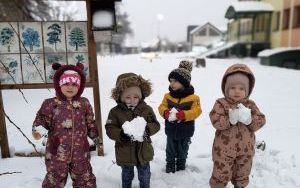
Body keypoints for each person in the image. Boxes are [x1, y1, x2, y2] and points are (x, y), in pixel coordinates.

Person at [32, 63, 99, 188]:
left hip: (81, 152)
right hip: (57, 151)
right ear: (59, 84)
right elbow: (41, 119)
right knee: (54, 179)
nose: (70, 87)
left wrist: (94, 134)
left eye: (74, 84)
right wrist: (38, 130)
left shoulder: (84, 103)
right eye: (66, 83)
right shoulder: (51, 104)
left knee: (84, 178)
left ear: (80, 86)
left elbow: (90, 121)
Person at [209, 64, 266, 188]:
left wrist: (250, 120)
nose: (237, 91)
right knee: (220, 174)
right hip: (223, 150)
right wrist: (229, 119)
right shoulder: (221, 103)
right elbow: (215, 120)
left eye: (241, 88)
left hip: (246, 150)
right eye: (233, 87)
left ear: (247, 90)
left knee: (242, 174)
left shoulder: (250, 105)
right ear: (226, 88)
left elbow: (261, 120)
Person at [105, 73, 160, 188]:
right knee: (127, 175)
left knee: (144, 175)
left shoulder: (146, 109)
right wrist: (121, 135)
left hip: (143, 151)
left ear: (140, 96)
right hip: (125, 152)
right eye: (128, 97)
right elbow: (110, 128)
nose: (132, 100)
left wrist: (147, 130)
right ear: (120, 97)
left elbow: (155, 124)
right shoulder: (115, 112)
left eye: (136, 97)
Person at [158, 60, 202, 173]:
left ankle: (181, 165)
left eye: (175, 81)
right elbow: (161, 107)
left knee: (183, 150)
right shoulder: (168, 96)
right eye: (171, 81)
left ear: (184, 82)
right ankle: (170, 164)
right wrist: (165, 112)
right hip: (171, 129)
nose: (171, 83)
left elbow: (197, 111)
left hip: (185, 131)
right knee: (170, 149)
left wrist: (184, 115)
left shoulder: (193, 98)